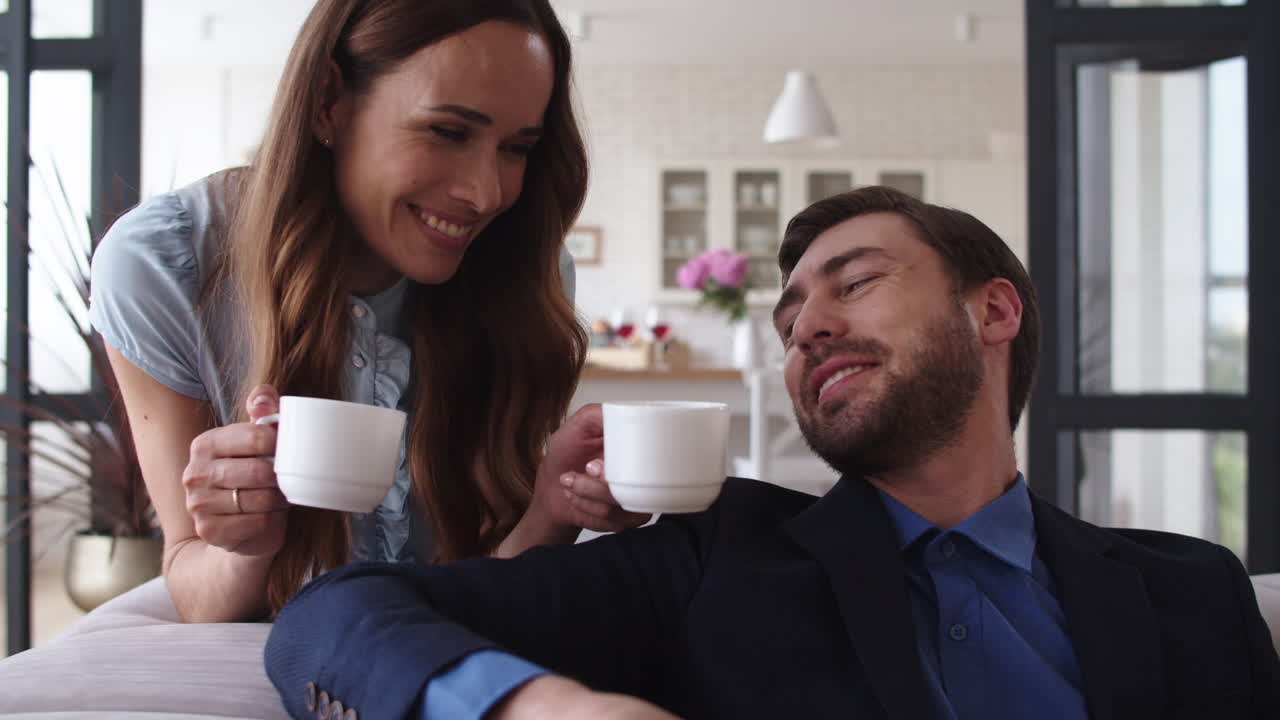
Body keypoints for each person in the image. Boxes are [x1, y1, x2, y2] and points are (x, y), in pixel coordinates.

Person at [263, 186, 1280, 719]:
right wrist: (542, 708)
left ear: (993, 310)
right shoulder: (718, 552)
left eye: (856, 282)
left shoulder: (1193, 593)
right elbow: (334, 618)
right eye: (789, 318)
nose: (805, 331)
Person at [88, 0, 648, 625]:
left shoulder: (525, 274)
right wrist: (246, 544)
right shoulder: (165, 264)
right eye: (449, 131)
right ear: (329, 102)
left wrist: (553, 505)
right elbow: (196, 593)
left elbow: (484, 587)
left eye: (516, 147)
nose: (487, 193)